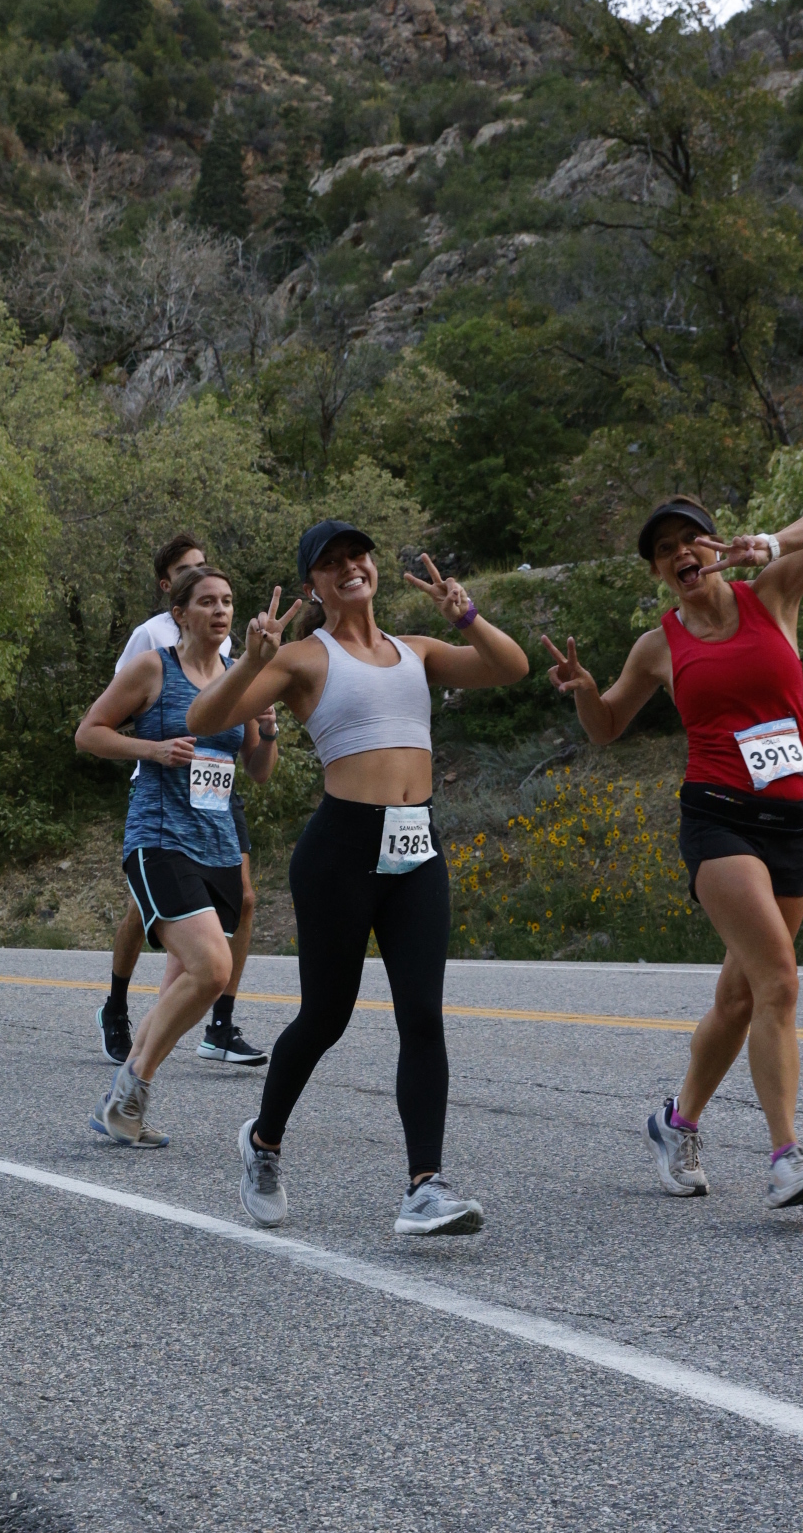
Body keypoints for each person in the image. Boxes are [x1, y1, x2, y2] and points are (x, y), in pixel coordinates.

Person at [187, 522, 529, 1235]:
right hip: (340, 852)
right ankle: (263, 1142)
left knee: (422, 1016)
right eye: (332, 563)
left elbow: (510, 668)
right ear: (312, 584)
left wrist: (466, 615)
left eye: (359, 556)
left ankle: (425, 1186)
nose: (351, 568)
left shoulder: (418, 651)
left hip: (417, 849)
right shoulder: (303, 659)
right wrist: (249, 663)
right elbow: (204, 716)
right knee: (326, 1016)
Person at [543, 493, 803, 1209]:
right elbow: (606, 727)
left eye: (692, 538)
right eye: (665, 549)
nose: (681, 552)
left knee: (740, 996)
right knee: (780, 981)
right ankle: (786, 1157)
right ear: (658, 572)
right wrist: (587, 691)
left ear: (716, 545)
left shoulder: (772, 594)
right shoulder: (657, 646)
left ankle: (676, 1121)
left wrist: (770, 544)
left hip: (796, 818)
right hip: (719, 819)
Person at [75, 565, 277, 1147]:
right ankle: (129, 1091)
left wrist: (268, 731)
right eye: (207, 601)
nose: (221, 611)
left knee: (184, 984)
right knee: (213, 969)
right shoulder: (152, 667)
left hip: (218, 844)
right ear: (180, 614)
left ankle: (122, 1106)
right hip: (160, 838)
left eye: (228, 601)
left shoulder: (240, 678)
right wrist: (154, 749)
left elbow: (259, 772)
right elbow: (89, 733)